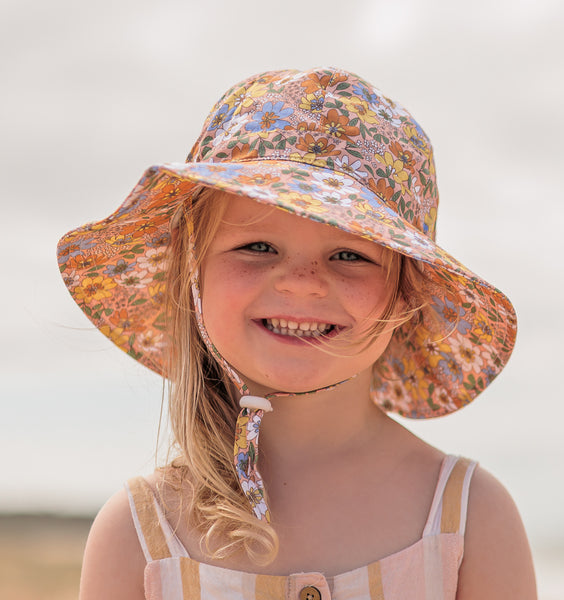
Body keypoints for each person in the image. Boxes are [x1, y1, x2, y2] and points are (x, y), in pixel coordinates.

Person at [57, 67, 537, 599]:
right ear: (193, 276)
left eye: (350, 254)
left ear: (406, 295)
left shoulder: (469, 519)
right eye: (258, 247)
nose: (302, 284)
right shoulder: (138, 534)